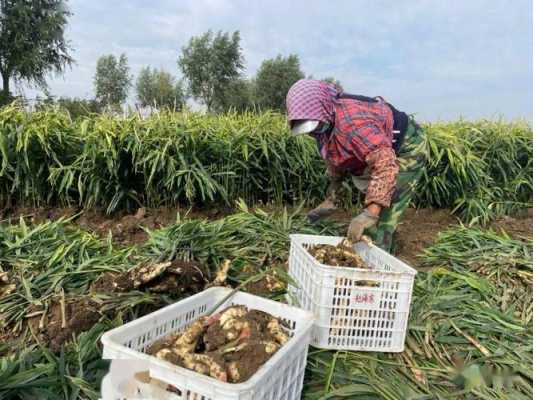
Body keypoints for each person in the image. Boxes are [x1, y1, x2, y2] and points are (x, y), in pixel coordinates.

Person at [286, 79, 427, 252]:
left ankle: (377, 265)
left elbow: (385, 166)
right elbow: (335, 159)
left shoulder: (352, 124)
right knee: (374, 200)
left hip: (407, 145)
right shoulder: (323, 126)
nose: (313, 133)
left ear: (323, 110)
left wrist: (370, 213)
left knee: (382, 214)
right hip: (380, 148)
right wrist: (333, 196)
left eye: (315, 126)